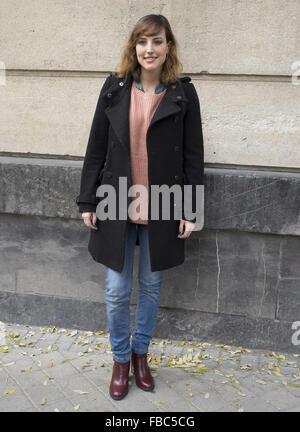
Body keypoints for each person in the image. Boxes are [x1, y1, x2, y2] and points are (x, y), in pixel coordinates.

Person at [76, 14, 204, 400]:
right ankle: (119, 360)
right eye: (143, 41)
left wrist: (191, 209)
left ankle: (140, 356)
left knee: (150, 286)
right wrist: (87, 199)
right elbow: (96, 146)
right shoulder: (113, 89)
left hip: (164, 204)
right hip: (116, 202)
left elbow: (194, 157)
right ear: (134, 47)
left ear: (169, 48)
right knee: (117, 290)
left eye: (158, 41)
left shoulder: (183, 93)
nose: (150, 49)